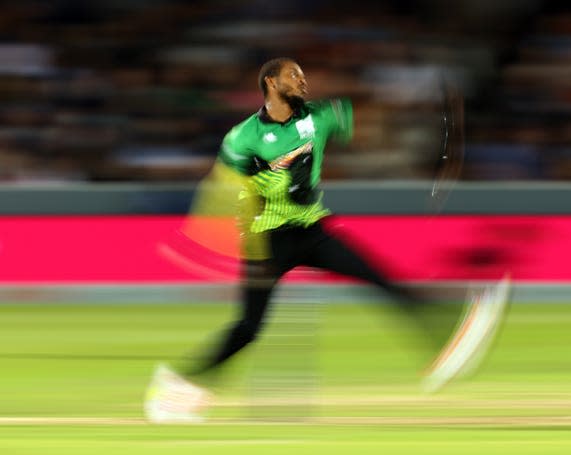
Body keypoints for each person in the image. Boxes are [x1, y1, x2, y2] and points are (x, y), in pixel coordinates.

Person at [144, 57, 510, 423]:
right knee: (248, 329)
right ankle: (179, 384)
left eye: (303, 75)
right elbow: (222, 193)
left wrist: (429, 110)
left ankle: (445, 336)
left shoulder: (319, 116)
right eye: (294, 76)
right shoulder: (243, 137)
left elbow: (374, 116)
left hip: (312, 231)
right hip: (266, 241)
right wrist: (205, 246)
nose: (303, 82)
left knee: (377, 277)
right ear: (271, 83)